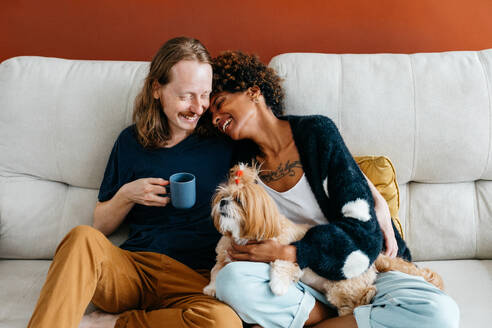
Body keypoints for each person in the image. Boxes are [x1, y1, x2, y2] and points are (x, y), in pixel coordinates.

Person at [206, 51, 460, 328]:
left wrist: (291, 253)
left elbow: (362, 229)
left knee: (440, 313)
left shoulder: (317, 133)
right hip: (295, 279)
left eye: (220, 103)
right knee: (231, 283)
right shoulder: (241, 163)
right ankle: (338, 316)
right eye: (212, 115)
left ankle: (312, 319)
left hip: (363, 268)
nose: (217, 117)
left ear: (254, 91)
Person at [27, 37, 242, 328]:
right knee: (81, 238)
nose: (198, 107)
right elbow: (100, 224)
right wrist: (127, 195)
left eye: (204, 95)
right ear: (157, 89)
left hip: (195, 278)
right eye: (186, 96)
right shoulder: (131, 141)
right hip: (133, 269)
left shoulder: (224, 142)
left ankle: (116, 324)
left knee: (223, 323)